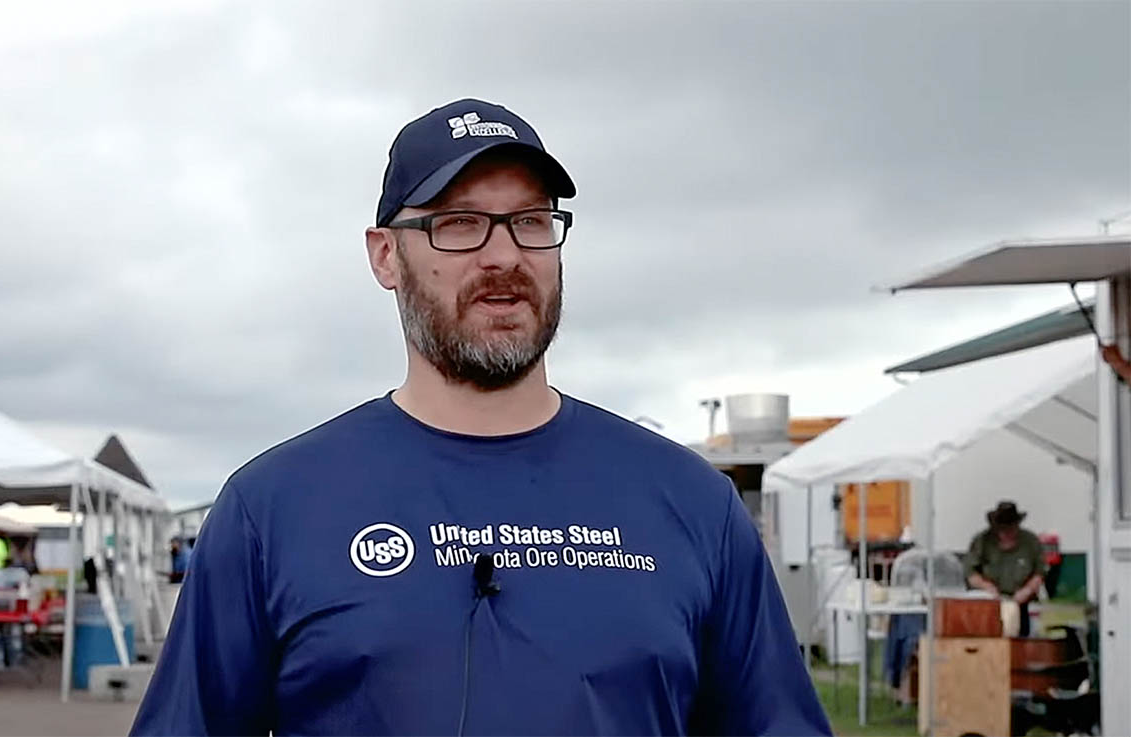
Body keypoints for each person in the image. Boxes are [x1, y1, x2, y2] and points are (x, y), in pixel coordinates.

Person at [132, 98, 830, 736]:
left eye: (531, 221)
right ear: (386, 255)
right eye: (458, 224)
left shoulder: (690, 502)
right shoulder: (272, 509)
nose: (504, 255)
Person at [964, 501, 1045, 636]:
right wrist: (986, 587)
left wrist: (1027, 590)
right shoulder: (982, 541)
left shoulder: (1030, 542)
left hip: (1022, 605)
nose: (1006, 533)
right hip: (988, 605)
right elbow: (970, 572)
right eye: (1002, 529)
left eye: (1010, 529)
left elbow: (1039, 572)